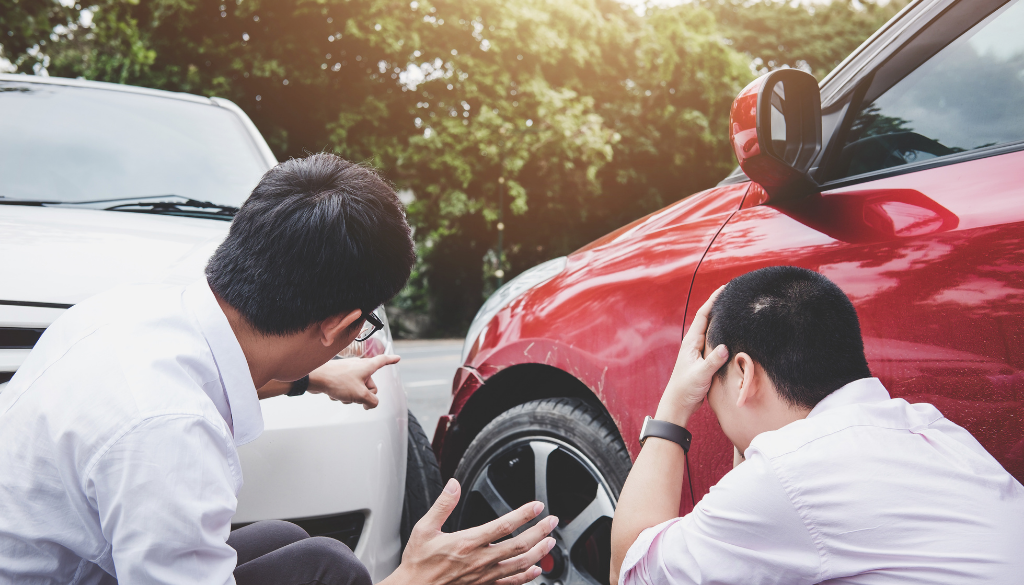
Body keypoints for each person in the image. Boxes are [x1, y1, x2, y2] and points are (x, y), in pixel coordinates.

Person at [0, 154, 557, 585]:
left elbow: (202, 381)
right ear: (339, 328)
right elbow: (167, 419)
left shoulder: (132, 310)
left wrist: (311, 378)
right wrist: (417, 577)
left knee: (298, 545)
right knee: (329, 570)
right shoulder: (170, 435)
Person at [609, 266, 1024, 585]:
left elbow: (630, 570)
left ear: (742, 375)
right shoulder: (935, 431)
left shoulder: (788, 473)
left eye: (710, 401)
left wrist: (675, 405)